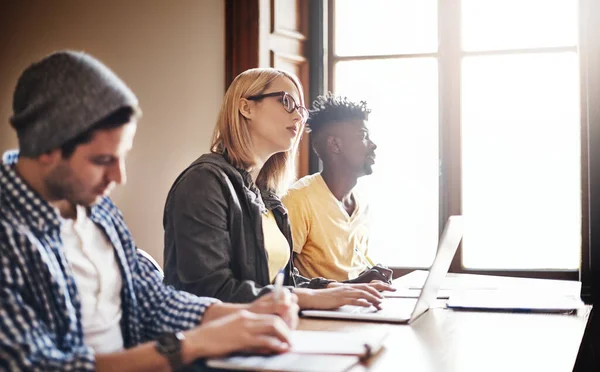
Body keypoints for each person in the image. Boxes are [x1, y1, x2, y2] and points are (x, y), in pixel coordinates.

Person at [0, 51, 299, 372]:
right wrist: (191, 345)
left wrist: (245, 315)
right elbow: (35, 366)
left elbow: (149, 298)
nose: (118, 177)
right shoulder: (10, 235)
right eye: (102, 160)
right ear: (47, 150)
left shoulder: (95, 209)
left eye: (122, 156)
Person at [163, 68, 394, 309]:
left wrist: (337, 288)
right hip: (221, 340)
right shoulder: (204, 182)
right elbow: (209, 292)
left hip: (264, 330)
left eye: (301, 111)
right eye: (287, 102)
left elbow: (281, 284)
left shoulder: (265, 193)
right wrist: (313, 298)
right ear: (246, 107)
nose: (298, 118)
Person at [282, 93, 392, 283]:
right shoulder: (298, 199)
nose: (373, 145)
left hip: (357, 308)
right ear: (334, 144)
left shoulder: (362, 204)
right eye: (363, 136)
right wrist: (352, 286)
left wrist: (372, 275)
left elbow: (354, 269)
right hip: (318, 311)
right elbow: (282, 279)